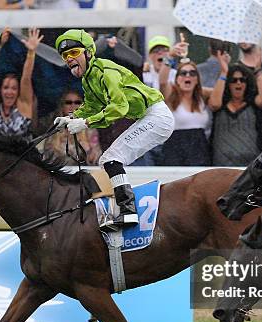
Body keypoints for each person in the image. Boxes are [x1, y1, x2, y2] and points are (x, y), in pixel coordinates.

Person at [54, 29, 174, 230]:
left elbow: (119, 108)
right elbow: (92, 108)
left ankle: (128, 211)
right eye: (65, 56)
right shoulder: (88, 79)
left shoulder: (105, 71)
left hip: (157, 116)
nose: (69, 59)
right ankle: (125, 210)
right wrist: (71, 118)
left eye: (74, 53)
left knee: (111, 159)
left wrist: (84, 123)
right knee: (107, 160)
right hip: (148, 117)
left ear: (89, 52)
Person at [208, 57, 262, 166]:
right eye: (233, 80)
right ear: (228, 84)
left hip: (249, 166)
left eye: (242, 80)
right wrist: (224, 73)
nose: (238, 83)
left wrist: (258, 72)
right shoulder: (220, 104)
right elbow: (213, 104)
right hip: (221, 166)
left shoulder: (253, 103)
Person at [0, 28, 42, 137]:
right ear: (0, 90)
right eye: (6, 87)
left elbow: (26, 76)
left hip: (22, 153)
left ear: (18, 91)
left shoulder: (24, 103)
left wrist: (31, 52)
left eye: (14, 88)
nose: (9, 92)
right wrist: (0, 46)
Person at [158, 59, 213, 165]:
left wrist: (224, 71)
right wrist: (170, 57)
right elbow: (162, 82)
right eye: (183, 73)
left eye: (192, 73)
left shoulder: (202, 95)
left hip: (199, 147)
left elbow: (219, 94)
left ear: (197, 80)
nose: (188, 76)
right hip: (175, 145)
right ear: (177, 79)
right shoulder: (171, 95)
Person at [40, 89, 102, 165]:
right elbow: (48, 157)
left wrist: (88, 152)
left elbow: (97, 156)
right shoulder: (55, 129)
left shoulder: (89, 128)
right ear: (62, 106)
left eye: (77, 102)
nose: (73, 106)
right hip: (60, 172)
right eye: (68, 102)